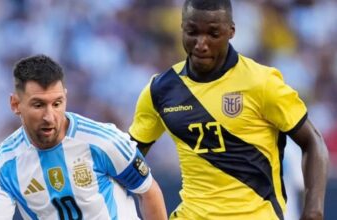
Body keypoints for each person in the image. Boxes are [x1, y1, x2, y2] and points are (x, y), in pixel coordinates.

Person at [128, 0, 329, 219]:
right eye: (192, 32)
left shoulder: (261, 83)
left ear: (231, 31)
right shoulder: (160, 90)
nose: (201, 44)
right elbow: (125, 156)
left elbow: (313, 142)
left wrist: (313, 211)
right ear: (182, 29)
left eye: (213, 34)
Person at [0, 54, 167, 220]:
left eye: (57, 104)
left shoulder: (104, 141)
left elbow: (148, 191)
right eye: (38, 105)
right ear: (15, 104)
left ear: (65, 98)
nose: (49, 116)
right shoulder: (3, 166)